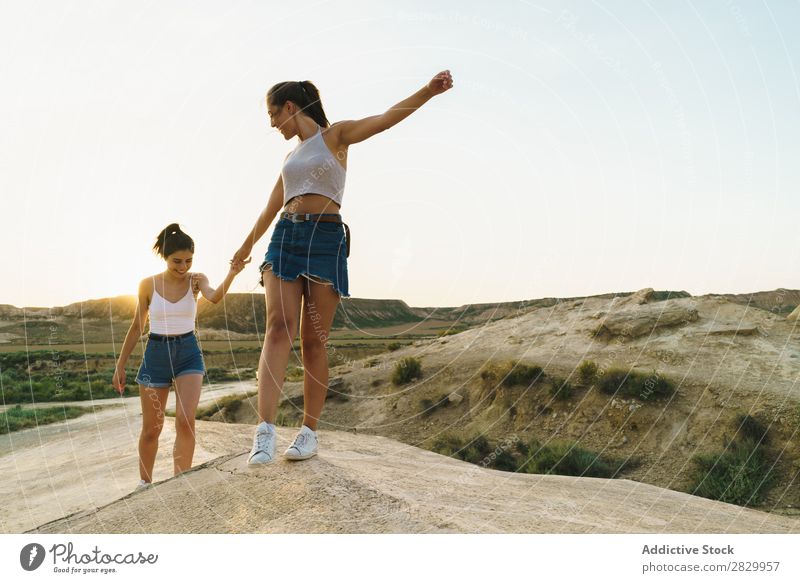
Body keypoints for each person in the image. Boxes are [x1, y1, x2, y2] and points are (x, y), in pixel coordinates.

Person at [231, 70, 455, 465]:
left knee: (314, 340)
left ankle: (308, 433)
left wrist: (428, 91)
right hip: (286, 236)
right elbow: (271, 207)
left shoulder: (335, 137)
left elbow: (386, 118)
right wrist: (245, 247)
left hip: (326, 240)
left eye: (272, 114)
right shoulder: (290, 157)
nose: (270, 124)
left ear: (289, 107)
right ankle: (264, 432)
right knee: (277, 328)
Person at [112, 223, 249, 490]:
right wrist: (120, 365)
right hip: (155, 355)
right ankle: (144, 484)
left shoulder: (196, 280)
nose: (183, 266)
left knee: (186, 421)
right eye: (177, 261)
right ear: (165, 257)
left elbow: (215, 297)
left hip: (188, 353)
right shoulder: (147, 284)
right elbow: (137, 326)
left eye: (188, 260)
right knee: (153, 428)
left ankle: (180, 484)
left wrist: (232, 273)